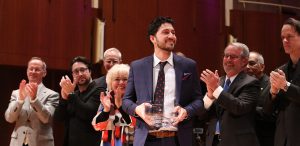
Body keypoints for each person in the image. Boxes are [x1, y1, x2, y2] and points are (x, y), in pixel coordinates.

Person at [122, 16, 203, 146]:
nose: (171, 36)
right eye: (166, 32)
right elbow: (126, 101)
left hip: (177, 139)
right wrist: (138, 110)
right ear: (152, 38)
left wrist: (186, 111)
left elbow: (198, 100)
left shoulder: (188, 65)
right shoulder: (138, 66)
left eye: (173, 32)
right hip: (146, 139)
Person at [200, 42, 260, 146]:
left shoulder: (251, 82)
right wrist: (209, 95)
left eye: (233, 57)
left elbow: (239, 107)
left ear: (244, 61)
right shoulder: (219, 81)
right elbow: (201, 116)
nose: (228, 59)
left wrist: (216, 88)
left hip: (238, 142)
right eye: (226, 56)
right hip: (213, 141)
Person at [5, 57, 59, 146]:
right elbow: (9, 118)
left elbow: (46, 118)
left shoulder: (52, 95)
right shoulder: (16, 93)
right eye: (31, 69)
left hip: (41, 143)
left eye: (37, 69)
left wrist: (34, 100)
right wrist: (20, 101)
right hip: (18, 142)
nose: (33, 71)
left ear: (44, 73)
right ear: (27, 71)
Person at [264, 18, 300, 146]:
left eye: (289, 36)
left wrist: (285, 85)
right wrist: (273, 93)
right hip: (282, 138)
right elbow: (267, 111)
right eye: (282, 37)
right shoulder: (280, 70)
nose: (285, 40)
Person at [55, 56, 104, 146]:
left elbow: (88, 114)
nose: (80, 73)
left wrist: (71, 94)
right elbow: (59, 117)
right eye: (76, 71)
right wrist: (64, 98)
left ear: (89, 71)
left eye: (83, 70)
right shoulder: (74, 94)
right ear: (73, 75)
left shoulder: (99, 90)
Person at [92, 64, 134, 146]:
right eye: (117, 79)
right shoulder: (106, 100)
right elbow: (97, 126)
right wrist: (106, 110)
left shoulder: (135, 100)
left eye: (125, 79)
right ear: (110, 83)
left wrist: (120, 107)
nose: (121, 82)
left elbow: (132, 124)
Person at [245, 51, 276, 146]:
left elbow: (273, 114)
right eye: (245, 63)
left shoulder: (272, 85)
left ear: (262, 67)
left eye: (251, 63)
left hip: (264, 138)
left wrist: (244, 108)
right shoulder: (243, 84)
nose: (247, 67)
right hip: (244, 137)